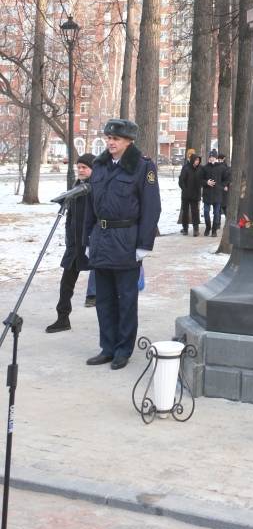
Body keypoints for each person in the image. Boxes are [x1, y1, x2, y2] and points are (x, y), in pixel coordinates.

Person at [84, 118, 161, 369]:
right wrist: (88, 239)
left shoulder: (142, 167)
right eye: (108, 138)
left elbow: (151, 208)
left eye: (115, 138)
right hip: (101, 238)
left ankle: (123, 350)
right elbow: (90, 206)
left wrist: (144, 245)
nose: (110, 142)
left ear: (129, 141)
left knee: (126, 300)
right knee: (104, 299)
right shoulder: (100, 166)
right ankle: (107, 348)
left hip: (126, 240)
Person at [45, 153, 95, 333]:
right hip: (75, 245)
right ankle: (63, 318)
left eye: (84, 167)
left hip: (94, 245)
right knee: (66, 283)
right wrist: (69, 238)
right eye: (78, 167)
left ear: (93, 169)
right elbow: (70, 216)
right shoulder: (75, 188)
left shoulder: (97, 188)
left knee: (107, 284)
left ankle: (113, 322)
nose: (80, 170)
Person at [201, 149, 225, 237]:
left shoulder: (221, 168)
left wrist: (221, 186)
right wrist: (206, 182)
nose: (212, 158)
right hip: (207, 194)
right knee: (206, 212)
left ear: (216, 158)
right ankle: (208, 227)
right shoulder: (204, 168)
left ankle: (214, 230)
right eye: (210, 157)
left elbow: (227, 179)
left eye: (213, 157)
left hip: (217, 194)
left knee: (216, 213)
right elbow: (200, 180)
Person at [178, 152, 202, 236]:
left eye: (198, 160)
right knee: (185, 212)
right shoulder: (186, 168)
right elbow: (181, 181)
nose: (197, 162)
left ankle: (196, 229)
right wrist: (185, 190)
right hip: (186, 195)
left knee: (195, 212)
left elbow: (203, 179)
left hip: (195, 194)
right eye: (196, 160)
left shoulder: (200, 169)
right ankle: (185, 229)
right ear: (192, 160)